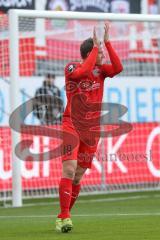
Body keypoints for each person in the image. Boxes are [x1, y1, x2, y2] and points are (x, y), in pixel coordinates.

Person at [55, 23, 123, 233]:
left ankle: (64, 215)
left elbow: (119, 67)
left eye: (101, 51)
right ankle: (64, 216)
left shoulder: (101, 72)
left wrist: (108, 41)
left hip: (91, 131)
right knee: (69, 168)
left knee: (78, 175)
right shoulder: (72, 68)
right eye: (99, 52)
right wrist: (96, 46)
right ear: (90, 52)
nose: (102, 55)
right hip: (71, 125)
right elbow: (84, 70)